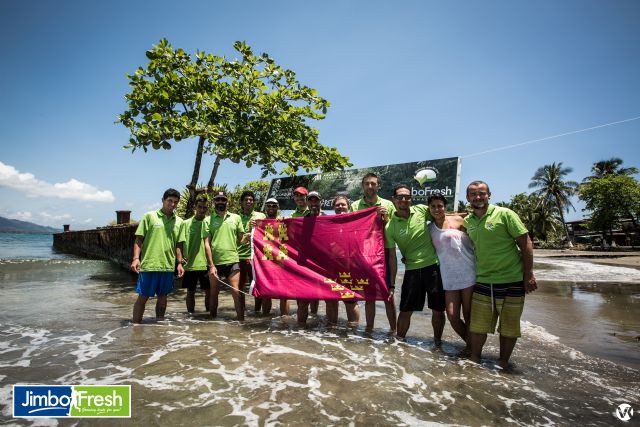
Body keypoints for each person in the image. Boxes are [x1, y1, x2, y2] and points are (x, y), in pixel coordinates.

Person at [464, 181, 537, 369]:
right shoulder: (468, 221)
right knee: (478, 325)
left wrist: (528, 274)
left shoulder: (505, 214)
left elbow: (525, 242)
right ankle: (474, 358)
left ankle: (503, 362)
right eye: (473, 194)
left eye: (482, 193)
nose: (478, 197)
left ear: (489, 195)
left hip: (512, 280)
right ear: (468, 198)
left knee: (509, 327)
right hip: (483, 280)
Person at [385, 184, 446, 343]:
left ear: (411, 199)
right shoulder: (389, 226)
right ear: (394, 200)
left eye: (407, 197)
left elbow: (441, 215)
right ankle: (398, 343)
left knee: (438, 310)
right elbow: (392, 257)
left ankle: (437, 345)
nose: (403, 200)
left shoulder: (421, 210)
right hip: (411, 271)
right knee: (405, 310)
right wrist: (391, 285)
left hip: (433, 268)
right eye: (400, 197)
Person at [427, 194, 475, 351]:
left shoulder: (460, 221)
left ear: (445, 206)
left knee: (468, 316)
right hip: (448, 276)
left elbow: (477, 236)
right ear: (429, 208)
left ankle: (472, 351)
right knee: (452, 316)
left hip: (468, 272)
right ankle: (473, 346)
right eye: (433, 206)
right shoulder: (429, 229)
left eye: (440, 205)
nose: (436, 209)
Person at [350, 173, 396, 333]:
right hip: (364, 256)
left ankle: (394, 331)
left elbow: (394, 227)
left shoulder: (388, 204)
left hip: (384, 253)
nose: (370, 186)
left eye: (373, 184)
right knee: (369, 296)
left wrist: (385, 218)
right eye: (367, 184)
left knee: (388, 296)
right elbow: (352, 230)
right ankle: (369, 331)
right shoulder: (355, 206)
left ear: (378, 186)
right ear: (363, 186)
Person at [131, 188, 183, 324]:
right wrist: (136, 258)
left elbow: (178, 244)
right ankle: (135, 327)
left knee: (163, 297)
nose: (172, 204)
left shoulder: (179, 222)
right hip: (149, 264)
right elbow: (139, 239)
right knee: (143, 297)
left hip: (167, 265)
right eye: (169, 201)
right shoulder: (149, 216)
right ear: (163, 200)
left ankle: (159, 327)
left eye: (175, 202)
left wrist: (179, 263)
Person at [203, 190, 246, 320]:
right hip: (215, 263)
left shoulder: (236, 218)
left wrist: (249, 236)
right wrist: (211, 265)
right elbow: (206, 244)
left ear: (228, 201)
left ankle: (241, 322)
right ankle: (212, 323)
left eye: (223, 199)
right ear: (214, 202)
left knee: (236, 291)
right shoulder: (207, 220)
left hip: (232, 260)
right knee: (214, 293)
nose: (220, 202)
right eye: (218, 200)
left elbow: (241, 240)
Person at [254, 197, 290, 316]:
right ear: (265, 207)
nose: (271, 208)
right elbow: (249, 238)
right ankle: (265, 321)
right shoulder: (259, 223)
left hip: (281, 260)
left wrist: (287, 221)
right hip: (266, 260)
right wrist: (252, 227)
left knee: (284, 294)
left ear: (278, 208)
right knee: (266, 291)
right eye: (268, 205)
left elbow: (290, 238)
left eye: (274, 206)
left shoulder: (283, 221)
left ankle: (284, 321)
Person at [176, 196, 211, 313]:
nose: (202, 210)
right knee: (190, 292)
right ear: (194, 207)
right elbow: (179, 244)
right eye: (200, 207)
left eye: (204, 208)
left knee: (209, 292)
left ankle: (209, 319)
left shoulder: (210, 222)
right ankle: (190, 319)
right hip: (190, 264)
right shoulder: (185, 223)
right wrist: (180, 262)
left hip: (207, 264)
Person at [296, 191, 326, 324]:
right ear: (307, 203)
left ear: (321, 202)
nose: (314, 203)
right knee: (303, 300)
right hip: (305, 264)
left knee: (328, 300)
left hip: (324, 265)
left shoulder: (329, 219)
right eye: (311, 201)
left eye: (316, 201)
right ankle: (300, 331)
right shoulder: (300, 221)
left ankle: (328, 332)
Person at [238, 190, 268, 315]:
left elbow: (267, 234)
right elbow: (239, 240)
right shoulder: (236, 218)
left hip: (255, 256)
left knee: (257, 285)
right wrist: (249, 230)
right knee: (238, 287)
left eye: (251, 200)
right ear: (242, 202)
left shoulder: (261, 216)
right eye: (246, 200)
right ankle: (242, 310)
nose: (249, 202)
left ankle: (257, 311)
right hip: (238, 256)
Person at [333, 195, 361, 325]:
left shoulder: (355, 222)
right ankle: (331, 330)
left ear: (348, 206)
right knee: (331, 299)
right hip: (332, 266)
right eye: (337, 205)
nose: (340, 207)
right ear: (333, 208)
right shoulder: (329, 223)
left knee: (350, 299)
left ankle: (353, 330)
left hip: (350, 267)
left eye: (343, 204)